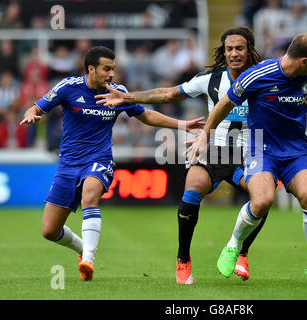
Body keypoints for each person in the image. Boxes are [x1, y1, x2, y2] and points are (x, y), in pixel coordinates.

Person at [186, 32, 307, 288]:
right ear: (303, 60)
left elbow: (306, 103)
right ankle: (234, 244)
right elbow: (224, 104)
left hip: (295, 151)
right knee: (263, 200)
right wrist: (205, 135)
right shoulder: (258, 75)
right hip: (261, 149)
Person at [95, 27, 268, 284]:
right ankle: (183, 260)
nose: (234, 53)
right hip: (214, 150)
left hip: (251, 150)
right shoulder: (210, 80)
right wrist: (127, 97)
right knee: (191, 192)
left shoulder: (264, 79)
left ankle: (242, 253)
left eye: (239, 48)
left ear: (249, 50)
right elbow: (167, 93)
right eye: (229, 49)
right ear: (223, 51)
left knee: (262, 199)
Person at [19, 46, 204, 282]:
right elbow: (36, 106)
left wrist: (182, 124)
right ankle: (82, 249)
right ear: (91, 69)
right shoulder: (68, 87)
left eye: (113, 69)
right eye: (106, 69)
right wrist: (32, 114)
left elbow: (145, 115)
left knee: (89, 196)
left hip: (99, 159)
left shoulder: (118, 92)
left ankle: (88, 260)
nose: (111, 74)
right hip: (68, 165)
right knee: (49, 231)